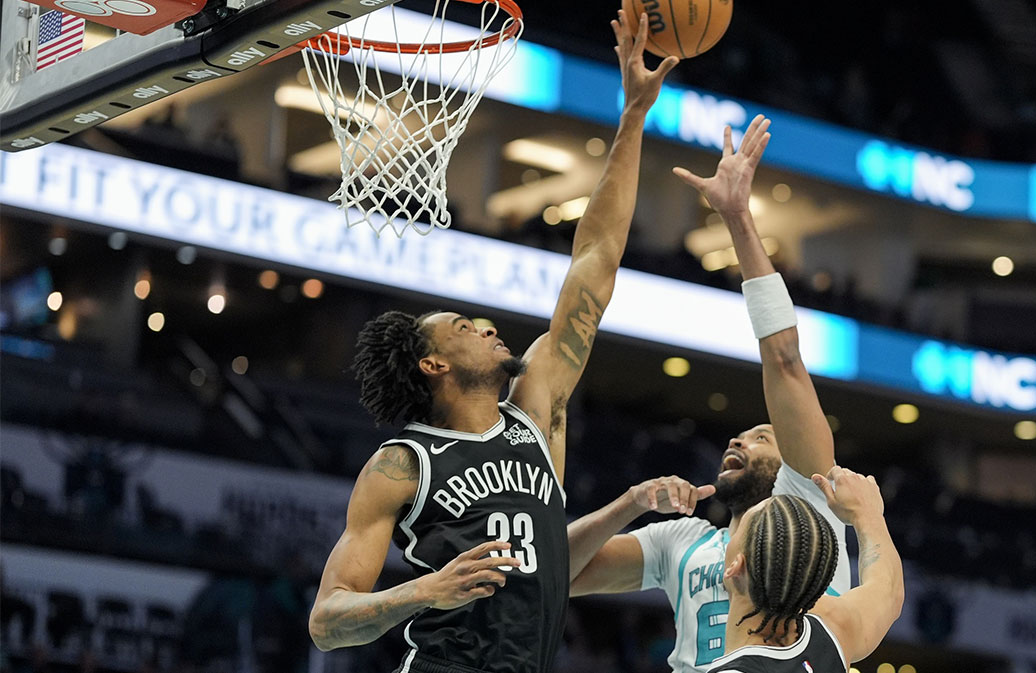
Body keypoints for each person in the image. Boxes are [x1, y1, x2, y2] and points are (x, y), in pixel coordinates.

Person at [307, 12, 678, 673]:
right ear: (434, 363)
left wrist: (634, 118)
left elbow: (596, 257)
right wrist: (423, 589)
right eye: (463, 327)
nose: (486, 327)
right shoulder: (401, 465)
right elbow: (327, 620)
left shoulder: (536, 410)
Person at [567, 116, 852, 672]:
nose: (739, 438)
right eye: (742, 433)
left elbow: (786, 361)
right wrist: (627, 505)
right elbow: (555, 573)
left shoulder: (810, 499)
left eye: (762, 436)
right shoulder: (684, 539)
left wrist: (738, 218)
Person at [708, 469, 903, 672]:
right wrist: (867, 514)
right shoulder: (833, 627)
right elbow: (888, 590)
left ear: (736, 567)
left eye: (738, 531)